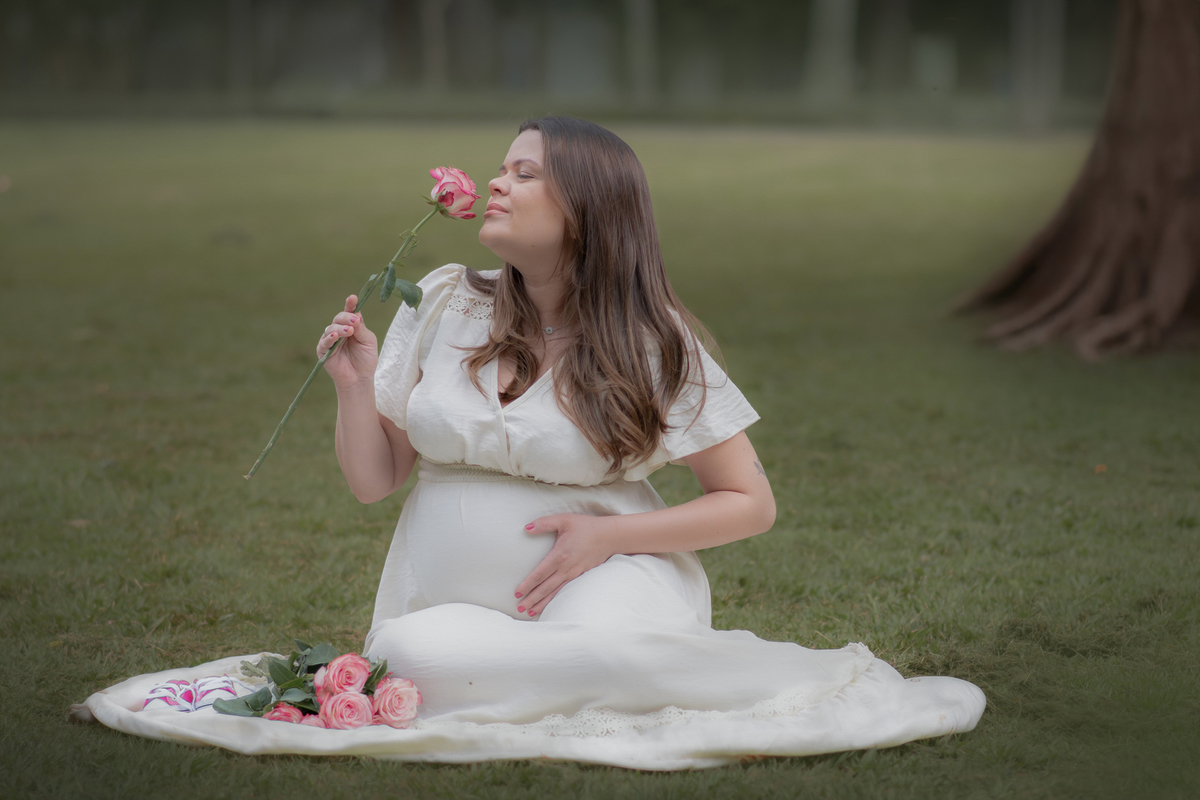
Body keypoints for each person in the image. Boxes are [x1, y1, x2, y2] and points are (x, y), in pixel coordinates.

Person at [74, 117, 983, 769]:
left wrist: (605, 538)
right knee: (411, 655)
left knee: (607, 652)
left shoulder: (654, 338)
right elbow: (374, 480)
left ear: (587, 209)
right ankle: (624, 684)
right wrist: (353, 385)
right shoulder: (444, 299)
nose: (496, 182)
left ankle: (740, 673)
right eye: (498, 167)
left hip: (607, 587)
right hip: (450, 601)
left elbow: (751, 503)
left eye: (524, 172)